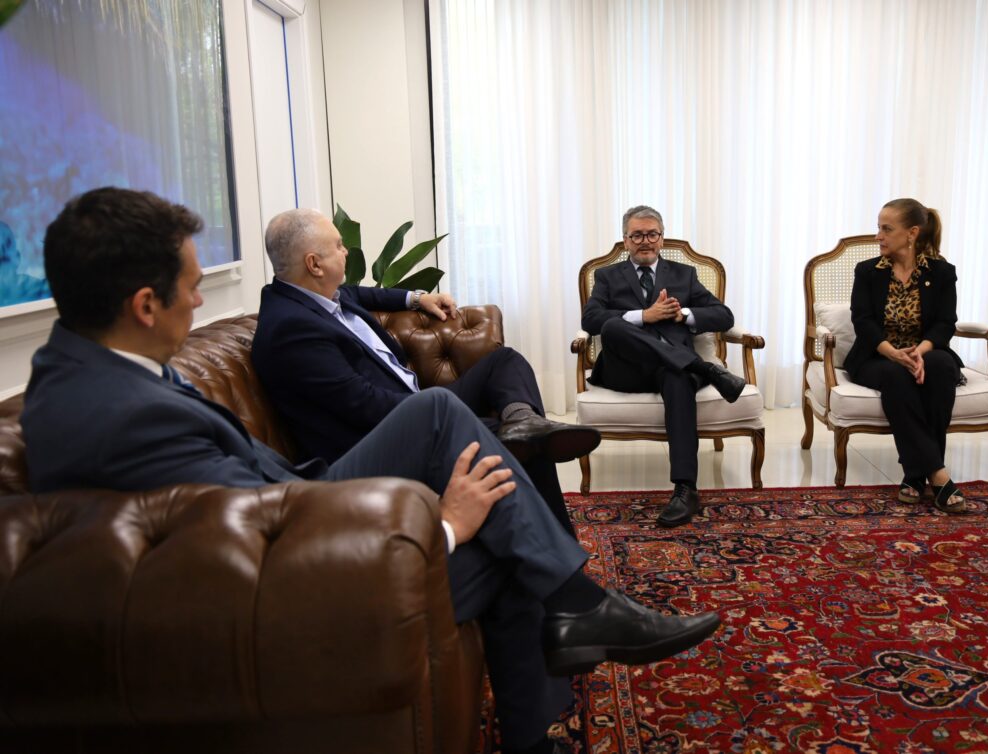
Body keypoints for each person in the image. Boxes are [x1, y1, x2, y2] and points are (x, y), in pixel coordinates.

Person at [21, 188, 721, 754]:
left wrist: (409, 297)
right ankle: (575, 607)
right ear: (145, 305)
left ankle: (554, 665)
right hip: (303, 561)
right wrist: (443, 528)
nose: (201, 303)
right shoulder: (119, 412)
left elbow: (355, 299)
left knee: (506, 520)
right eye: (192, 288)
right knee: (444, 423)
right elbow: (245, 542)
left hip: (294, 513)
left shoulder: (91, 372)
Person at [251, 209, 598, 536]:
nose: (346, 252)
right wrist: (434, 407)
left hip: (418, 405)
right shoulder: (292, 330)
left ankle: (523, 419)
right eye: (339, 246)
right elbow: (362, 405)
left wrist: (416, 299)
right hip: (392, 435)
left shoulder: (315, 295)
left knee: (504, 362)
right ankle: (562, 558)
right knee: (526, 448)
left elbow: (360, 292)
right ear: (314, 264)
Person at [581, 205, 746, 527]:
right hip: (625, 371)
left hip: (671, 367)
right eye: (637, 235)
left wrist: (683, 314)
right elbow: (590, 319)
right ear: (625, 240)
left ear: (662, 238)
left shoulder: (684, 274)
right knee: (613, 326)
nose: (645, 241)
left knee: (678, 376)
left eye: (651, 234)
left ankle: (686, 489)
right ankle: (707, 369)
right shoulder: (607, 276)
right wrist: (645, 316)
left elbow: (724, 315)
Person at [844, 198, 966, 513]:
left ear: (911, 233)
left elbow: (945, 323)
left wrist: (921, 351)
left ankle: (914, 474)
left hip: (927, 353)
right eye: (878, 228)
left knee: (940, 368)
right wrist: (894, 354)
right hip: (877, 356)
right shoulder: (868, 271)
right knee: (896, 375)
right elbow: (864, 322)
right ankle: (937, 475)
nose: (878, 236)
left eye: (886, 229)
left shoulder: (941, 272)